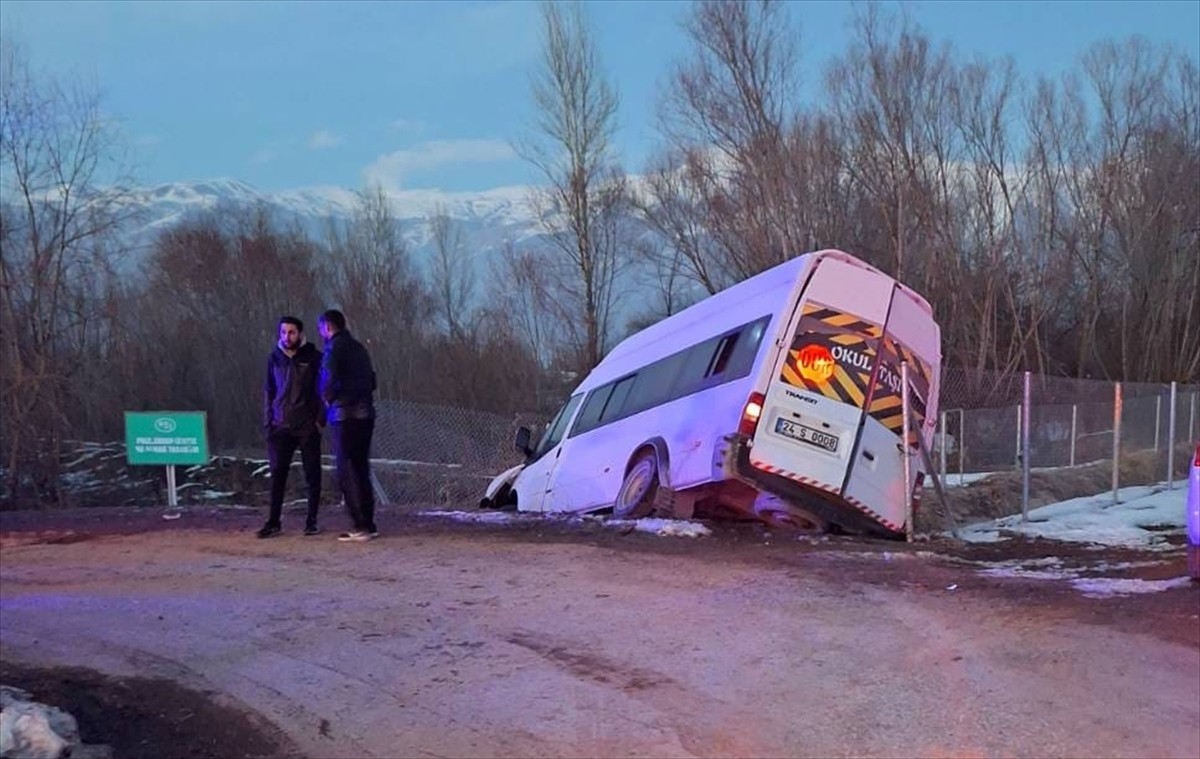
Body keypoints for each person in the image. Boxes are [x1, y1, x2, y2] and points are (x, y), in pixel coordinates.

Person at [259, 316, 324, 538]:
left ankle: (311, 520)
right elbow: (268, 391)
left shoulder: (314, 357)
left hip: (307, 424)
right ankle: (273, 521)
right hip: (280, 425)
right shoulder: (274, 358)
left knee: (312, 474)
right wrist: (268, 422)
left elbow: (324, 390)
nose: (287, 337)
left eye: (291, 332)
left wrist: (319, 420)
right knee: (278, 475)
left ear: (300, 333)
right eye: (283, 332)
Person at [317, 309, 379, 542]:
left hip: (344, 414)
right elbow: (372, 380)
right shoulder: (360, 348)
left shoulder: (333, 348)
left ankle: (359, 524)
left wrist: (327, 397)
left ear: (327, 327)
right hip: (366, 412)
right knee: (361, 467)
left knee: (346, 469)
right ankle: (369, 523)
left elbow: (328, 379)